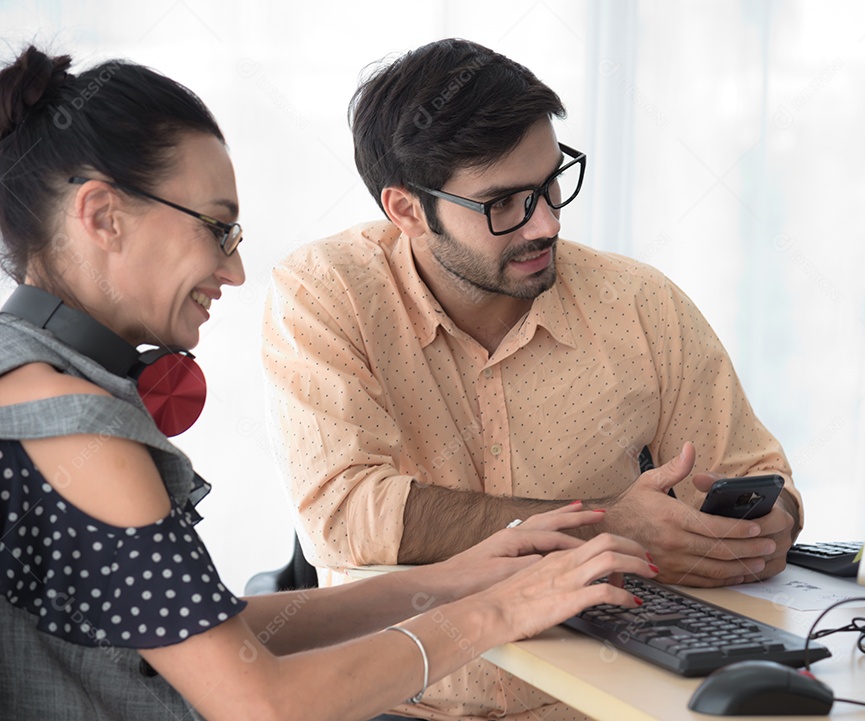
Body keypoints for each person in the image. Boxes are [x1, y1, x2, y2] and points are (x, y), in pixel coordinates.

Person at [0, 45, 660, 721]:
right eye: (218, 229)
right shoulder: (70, 421)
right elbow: (263, 702)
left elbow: (205, 637)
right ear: (103, 215)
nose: (234, 272)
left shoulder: (23, 379)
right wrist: (500, 610)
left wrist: (455, 579)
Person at [262, 38, 804, 721]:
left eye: (551, 183)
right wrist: (606, 526)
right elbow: (344, 514)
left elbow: (762, 478)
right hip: (404, 703)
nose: (546, 223)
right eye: (504, 204)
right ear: (405, 210)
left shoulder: (639, 302)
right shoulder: (327, 291)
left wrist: (756, 529)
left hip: (601, 702)